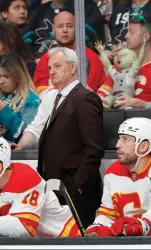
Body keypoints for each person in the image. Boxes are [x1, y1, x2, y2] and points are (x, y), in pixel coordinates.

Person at [33, 47, 104, 229]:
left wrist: (78, 184)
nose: (52, 72)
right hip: (55, 189)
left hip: (75, 191)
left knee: (78, 239)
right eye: (50, 68)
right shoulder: (56, 98)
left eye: (57, 66)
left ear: (73, 68)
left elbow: (94, 147)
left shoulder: (85, 98)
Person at [85, 117, 151, 236]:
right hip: (126, 240)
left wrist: (139, 226)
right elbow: (108, 212)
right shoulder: (113, 170)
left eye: (125, 139)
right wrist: (98, 226)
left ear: (143, 146)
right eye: (119, 138)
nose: (117, 145)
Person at [97, 14, 151, 108]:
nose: (126, 36)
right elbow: (102, 94)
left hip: (148, 121)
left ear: (145, 37)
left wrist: (139, 104)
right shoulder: (122, 63)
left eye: (131, 32)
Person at [27, 0, 105, 53]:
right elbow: (26, 41)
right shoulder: (40, 12)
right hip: (42, 62)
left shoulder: (86, 5)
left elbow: (89, 37)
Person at [33, 10, 106, 98]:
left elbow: (89, 92)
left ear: (76, 28)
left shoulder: (90, 58)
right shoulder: (45, 59)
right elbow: (42, 92)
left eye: (69, 26)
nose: (65, 30)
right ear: (53, 29)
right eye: (60, 26)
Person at [0, 53, 39, 143]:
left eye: (6, 76)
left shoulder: (32, 101)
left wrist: (5, 112)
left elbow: (28, 137)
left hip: (12, 154)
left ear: (18, 76)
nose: (1, 81)